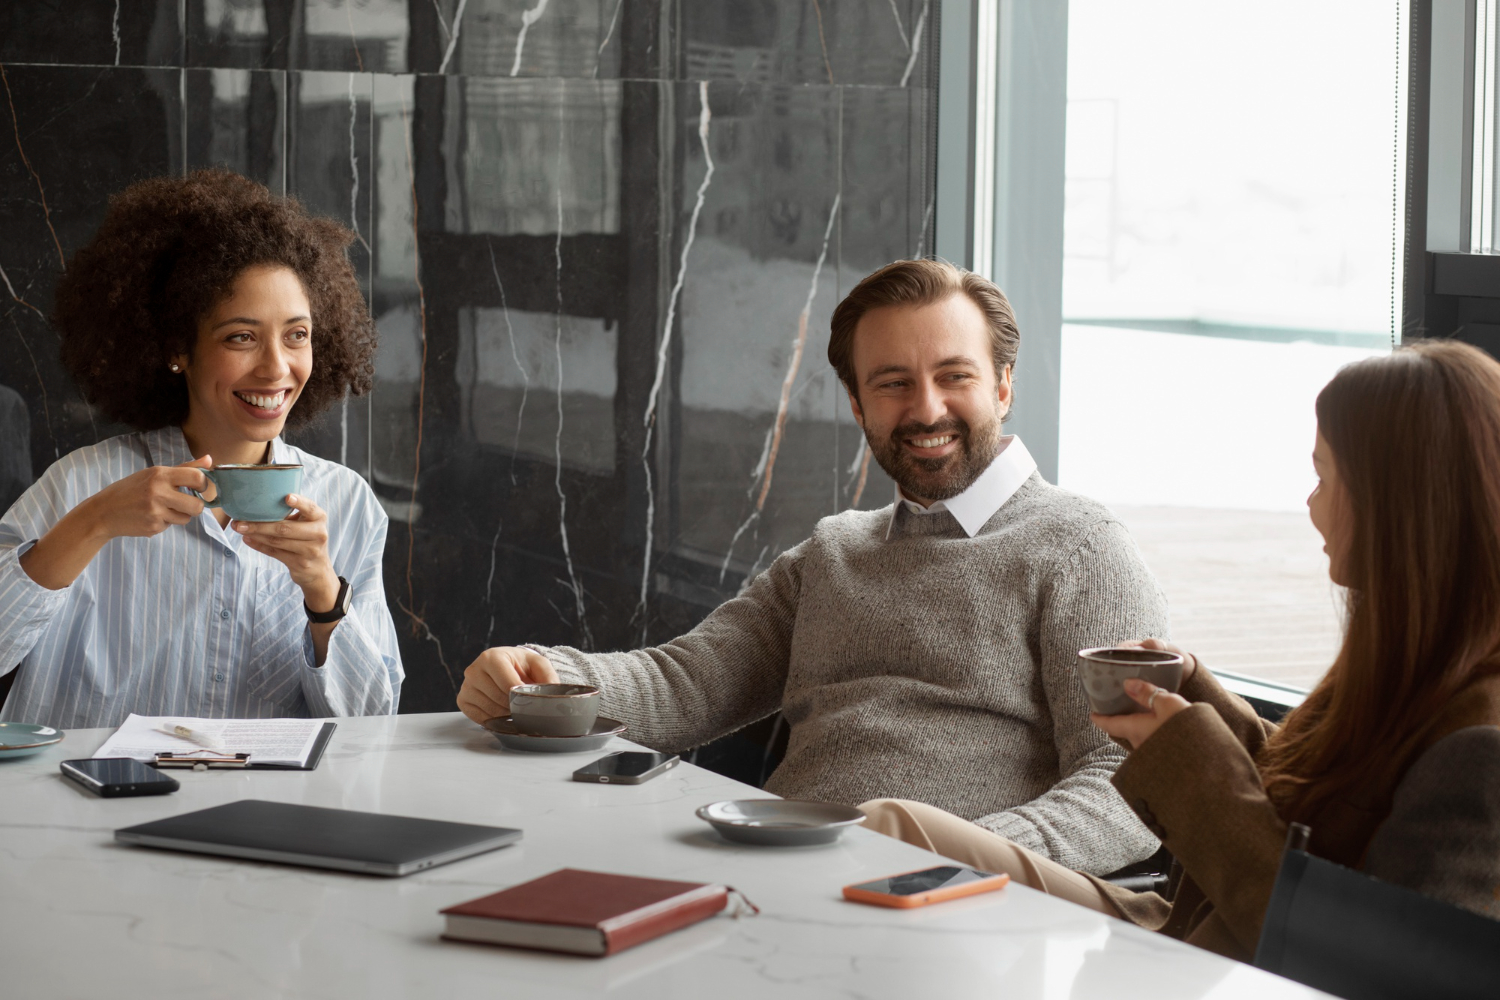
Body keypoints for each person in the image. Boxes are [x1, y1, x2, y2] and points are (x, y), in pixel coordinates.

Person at [458, 259, 1168, 875]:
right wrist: (541, 676)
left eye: (955, 376)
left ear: (1003, 387)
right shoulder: (836, 552)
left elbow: (1133, 781)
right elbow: (687, 683)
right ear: (858, 405)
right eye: (893, 384)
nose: (927, 408)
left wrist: (957, 855)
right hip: (776, 870)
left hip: (946, 909)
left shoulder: (1081, 548)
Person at [860, 339, 1500, 960]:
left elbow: (1360, 963)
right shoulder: (1413, 660)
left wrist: (1190, 763)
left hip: (1219, 964)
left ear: (1399, 507)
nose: (1310, 505)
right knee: (893, 825)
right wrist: (1202, 701)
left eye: (1325, 477)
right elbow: (1322, 807)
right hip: (1178, 923)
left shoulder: (1480, 752)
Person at [0, 169, 403, 728]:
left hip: (262, 810)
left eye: (297, 335)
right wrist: (91, 524)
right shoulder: (82, 484)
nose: (276, 367)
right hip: (83, 804)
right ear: (176, 349)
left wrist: (322, 591)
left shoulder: (347, 502)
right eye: (241, 336)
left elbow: (374, 724)